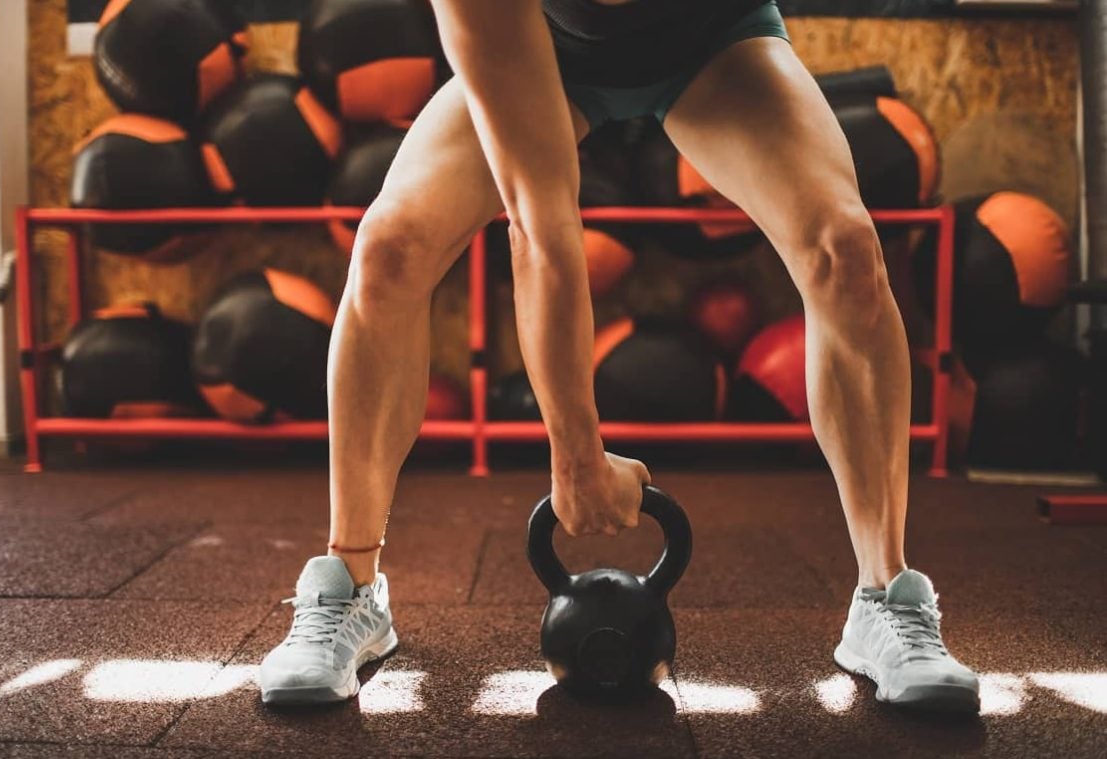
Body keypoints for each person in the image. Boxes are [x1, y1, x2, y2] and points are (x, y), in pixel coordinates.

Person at [258, 0, 981, 712]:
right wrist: (577, 458)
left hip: (713, 40)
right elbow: (541, 229)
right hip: (540, 44)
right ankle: (349, 588)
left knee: (844, 249)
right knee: (389, 246)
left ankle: (885, 597)